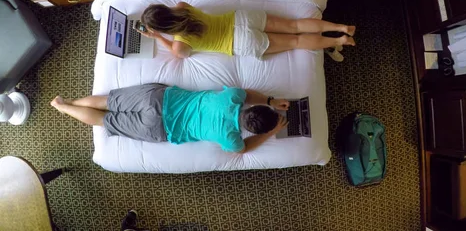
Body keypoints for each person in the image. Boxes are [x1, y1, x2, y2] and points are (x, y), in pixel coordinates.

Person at [50, 84, 290, 153]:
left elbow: (248, 94)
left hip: (159, 99)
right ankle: (64, 109)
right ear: (251, 129)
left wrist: (270, 101)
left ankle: (66, 102)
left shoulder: (233, 96)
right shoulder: (231, 139)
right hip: (160, 128)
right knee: (105, 121)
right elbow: (243, 149)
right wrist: (269, 133)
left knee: (107, 101)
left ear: (251, 109)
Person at [139, 2, 356, 59]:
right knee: (295, 26)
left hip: (240, 43)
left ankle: (340, 41)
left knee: (296, 42)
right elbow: (177, 8)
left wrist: (159, 37)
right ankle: (341, 27)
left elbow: (180, 55)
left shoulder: (179, 45)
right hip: (240, 18)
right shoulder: (182, 7)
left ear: (161, 28)